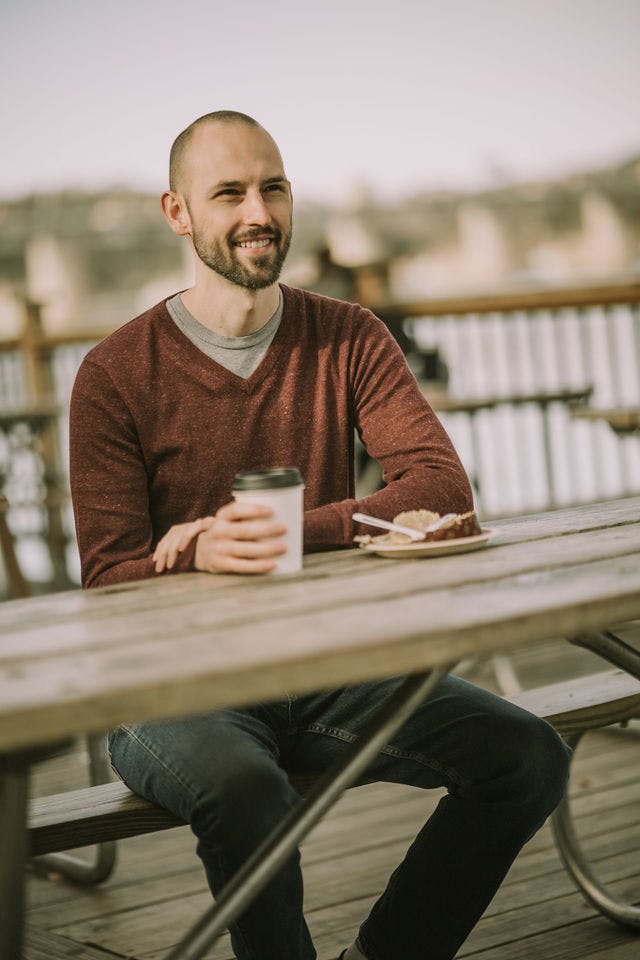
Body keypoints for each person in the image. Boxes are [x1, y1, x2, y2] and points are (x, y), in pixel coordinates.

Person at [69, 110, 571, 960]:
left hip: (332, 669)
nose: (257, 210)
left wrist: (279, 537)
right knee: (246, 790)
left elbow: (443, 490)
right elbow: (107, 580)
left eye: (273, 186)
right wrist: (193, 554)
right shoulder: (114, 374)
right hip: (176, 693)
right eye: (228, 192)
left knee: (528, 756)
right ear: (178, 212)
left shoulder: (349, 336)